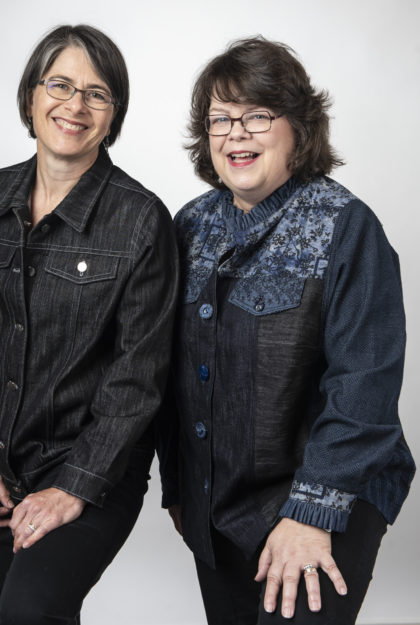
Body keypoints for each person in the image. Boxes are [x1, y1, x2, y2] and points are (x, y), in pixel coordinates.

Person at [157, 36, 415, 625]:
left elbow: (365, 384)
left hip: (332, 488)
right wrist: (180, 487)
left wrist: (309, 515)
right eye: (220, 118)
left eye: (257, 115)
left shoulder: (346, 228)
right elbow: (166, 373)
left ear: (299, 128)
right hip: (219, 500)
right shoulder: (188, 227)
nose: (236, 134)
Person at [0, 24, 178, 624]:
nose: (75, 105)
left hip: (94, 469)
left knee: (29, 608)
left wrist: (73, 486)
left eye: (97, 93)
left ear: (114, 114)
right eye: (60, 84)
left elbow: (138, 377)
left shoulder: (143, 222)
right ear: (30, 98)